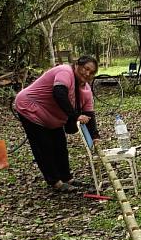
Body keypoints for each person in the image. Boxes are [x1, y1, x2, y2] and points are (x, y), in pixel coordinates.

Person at [14, 55, 100, 193]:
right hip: (30, 108)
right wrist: (76, 116)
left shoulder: (86, 90)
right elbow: (59, 93)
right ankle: (55, 181)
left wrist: (95, 136)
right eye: (86, 68)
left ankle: (67, 178)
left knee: (60, 146)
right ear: (77, 65)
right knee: (45, 146)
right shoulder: (65, 72)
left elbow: (89, 115)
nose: (87, 73)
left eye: (92, 72)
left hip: (52, 117)